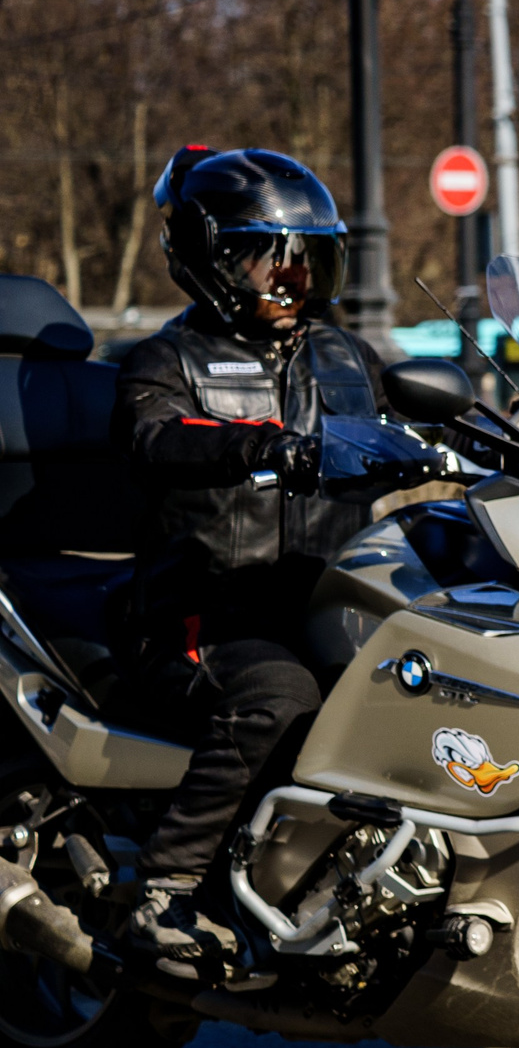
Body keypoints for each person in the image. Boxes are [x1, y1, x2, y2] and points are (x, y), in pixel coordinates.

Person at [109, 147, 385, 974]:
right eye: (268, 254)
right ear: (211, 258)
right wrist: (267, 446)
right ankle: (167, 888)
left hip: (328, 600)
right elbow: (156, 435)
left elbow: (436, 423)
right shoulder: (166, 362)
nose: (290, 275)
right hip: (202, 615)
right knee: (279, 694)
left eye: (308, 256)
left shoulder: (350, 359)